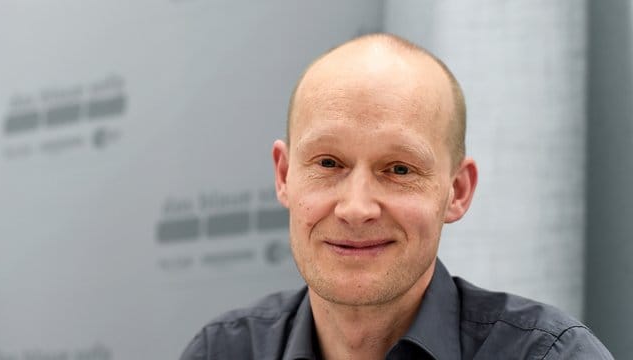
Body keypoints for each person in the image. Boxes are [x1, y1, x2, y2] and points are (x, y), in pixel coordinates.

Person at [180, 33, 612, 360]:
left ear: (457, 191)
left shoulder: (548, 355)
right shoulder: (222, 350)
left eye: (399, 170)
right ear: (284, 175)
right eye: (329, 164)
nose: (356, 208)